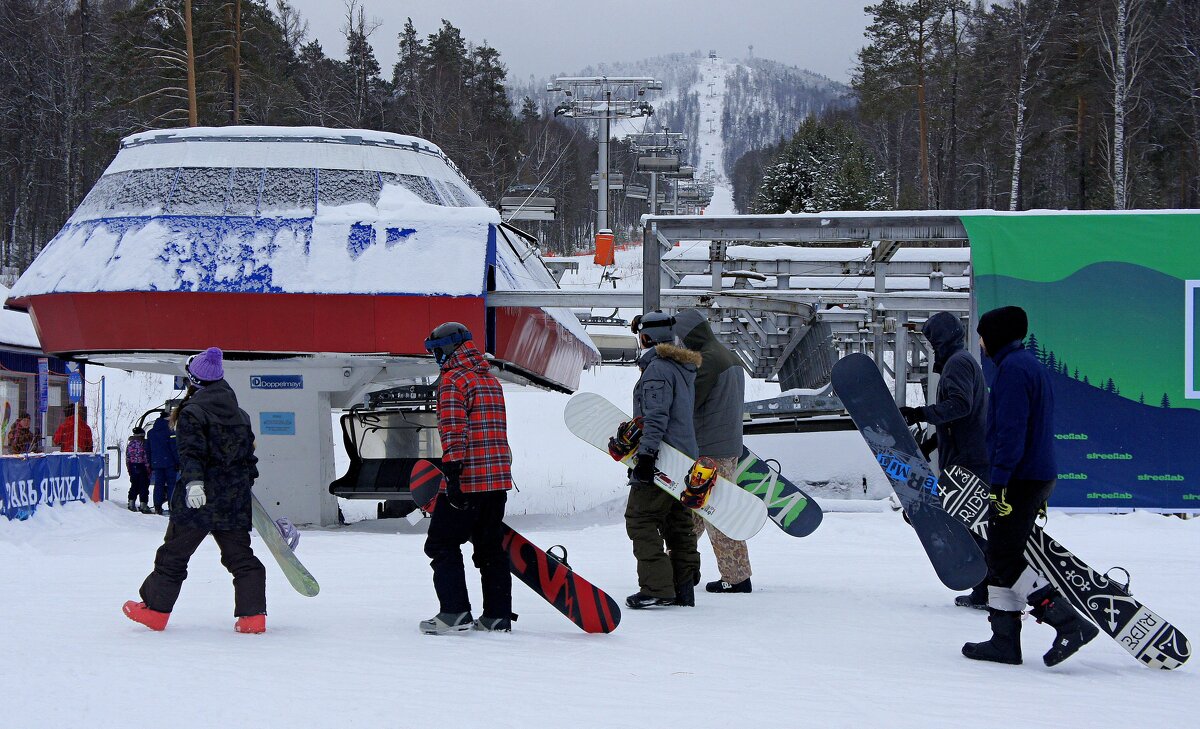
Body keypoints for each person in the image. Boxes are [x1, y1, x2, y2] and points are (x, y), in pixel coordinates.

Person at [961, 306, 1097, 667]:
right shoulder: (1029, 366)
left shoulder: (1013, 372)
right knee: (1001, 557)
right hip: (1034, 475)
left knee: (1004, 556)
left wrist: (1001, 483)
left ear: (997, 336)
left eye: (983, 334)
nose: (981, 342)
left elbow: (1011, 432)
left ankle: (1067, 622)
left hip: (1019, 477)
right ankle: (1004, 640)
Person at [123, 347, 268, 634]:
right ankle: (253, 616)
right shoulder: (240, 415)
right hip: (232, 501)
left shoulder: (192, 412)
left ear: (195, 381)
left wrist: (194, 484)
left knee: (174, 555)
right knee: (241, 557)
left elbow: (191, 453)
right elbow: (248, 458)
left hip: (197, 500)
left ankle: (155, 610)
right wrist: (244, 487)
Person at [420, 322, 514, 635]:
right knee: (490, 548)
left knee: (441, 544)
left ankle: (455, 612)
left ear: (446, 349)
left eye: (436, 350)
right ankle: (497, 615)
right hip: (497, 479)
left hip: (468, 479)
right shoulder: (489, 379)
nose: (436, 357)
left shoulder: (452, 380)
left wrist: (453, 476)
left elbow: (453, 429)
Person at [900, 311, 990, 609]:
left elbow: (961, 407)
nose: (930, 346)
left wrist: (920, 413)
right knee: (971, 526)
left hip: (969, 460)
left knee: (971, 526)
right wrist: (932, 443)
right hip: (965, 454)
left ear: (942, 338)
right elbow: (960, 419)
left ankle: (986, 589)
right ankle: (983, 589)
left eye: (931, 340)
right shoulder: (960, 362)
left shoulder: (958, 363)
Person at [666, 309, 753, 594]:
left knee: (718, 513)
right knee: (694, 512)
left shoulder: (707, 361)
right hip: (726, 446)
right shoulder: (727, 356)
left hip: (708, 451)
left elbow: (689, 404)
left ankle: (737, 578)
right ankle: (683, 568)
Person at [623, 311, 703, 609]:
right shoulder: (681, 368)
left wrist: (646, 457)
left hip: (663, 460)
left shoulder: (657, 370)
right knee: (677, 522)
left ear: (646, 337)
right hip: (684, 458)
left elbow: (656, 417)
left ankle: (657, 587)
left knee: (641, 519)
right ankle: (684, 586)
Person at [147, 410, 180, 515]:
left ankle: (157, 507)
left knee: (158, 485)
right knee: (171, 485)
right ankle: (172, 507)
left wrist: (150, 463)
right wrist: (178, 461)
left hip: (156, 463)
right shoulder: (170, 431)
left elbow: (148, 449)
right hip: (169, 463)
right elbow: (173, 448)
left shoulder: (151, 433)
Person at [126, 426, 153, 514]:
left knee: (134, 485)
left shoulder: (130, 444)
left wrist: (129, 469)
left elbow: (128, 458)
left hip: (132, 466)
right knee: (144, 486)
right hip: (142, 467)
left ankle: (131, 503)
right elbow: (145, 457)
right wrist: (148, 468)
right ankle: (143, 505)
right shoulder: (143, 444)